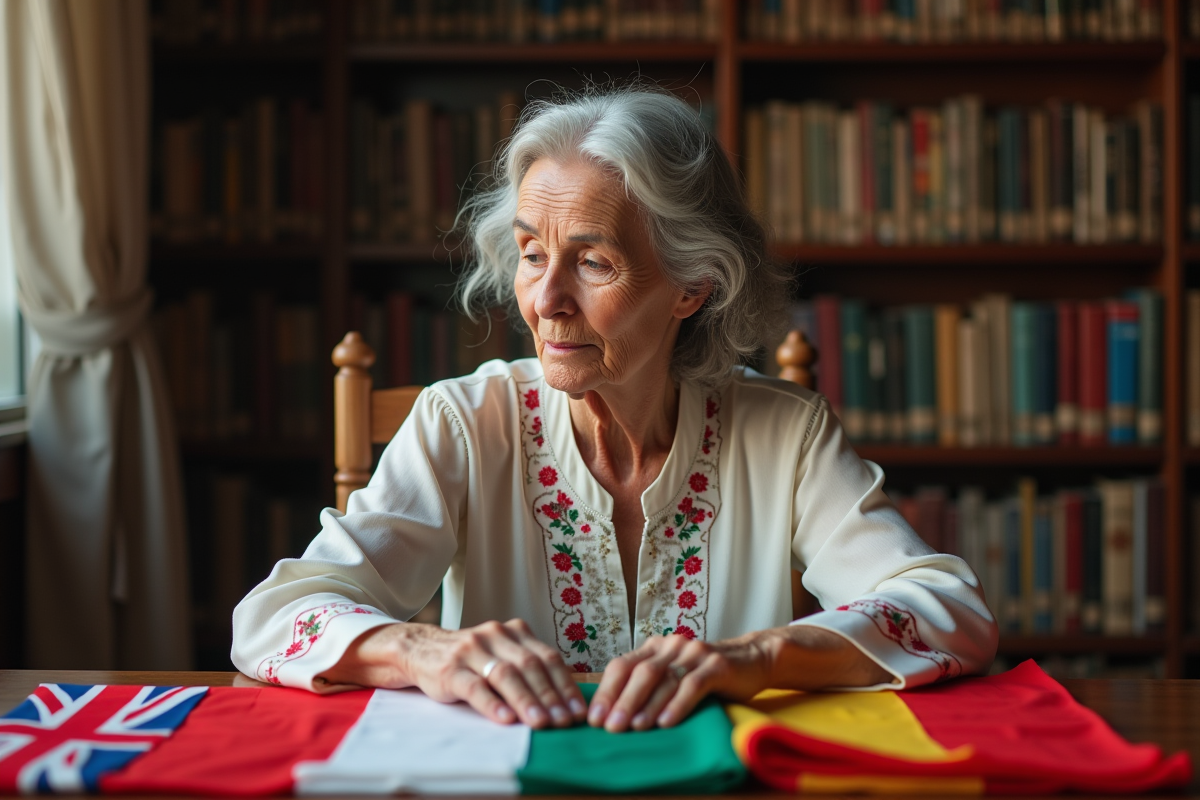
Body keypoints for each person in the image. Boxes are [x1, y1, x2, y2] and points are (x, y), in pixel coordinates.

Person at [231, 86, 997, 734]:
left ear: (692, 286)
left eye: (593, 262)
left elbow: (946, 610)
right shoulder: (465, 422)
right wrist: (424, 650)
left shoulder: (785, 434)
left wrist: (757, 655)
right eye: (533, 253)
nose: (547, 300)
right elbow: (271, 616)